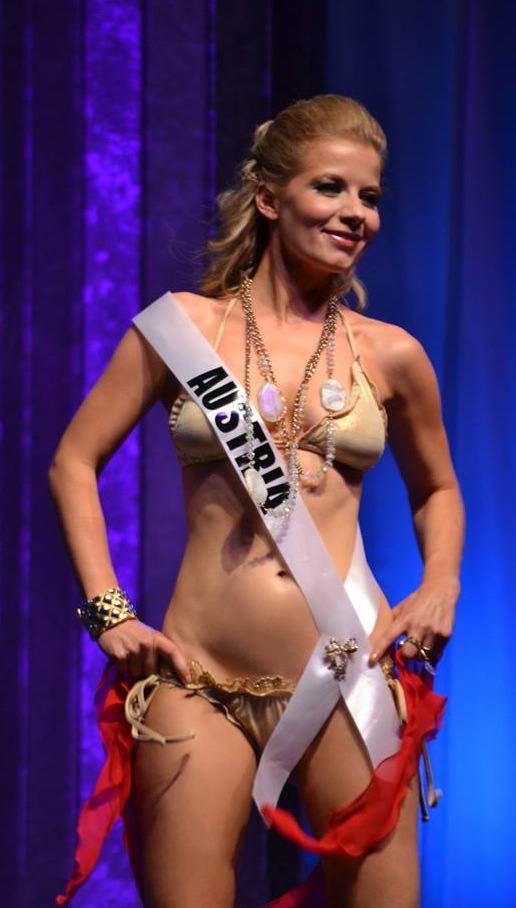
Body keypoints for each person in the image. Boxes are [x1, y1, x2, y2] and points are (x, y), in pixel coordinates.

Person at [50, 95, 464, 908]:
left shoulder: (393, 355)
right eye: (331, 188)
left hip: (346, 670)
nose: (356, 214)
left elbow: (439, 489)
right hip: (197, 680)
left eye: (370, 196)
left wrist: (440, 583)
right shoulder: (181, 331)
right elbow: (73, 459)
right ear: (270, 198)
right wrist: (108, 611)